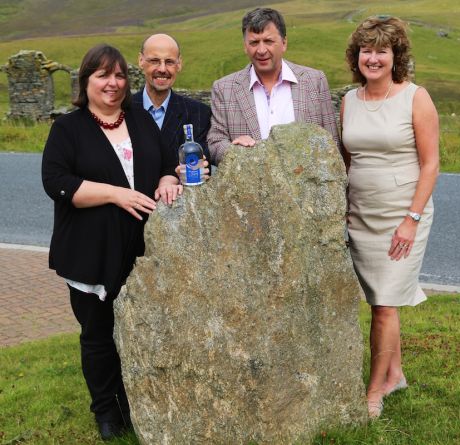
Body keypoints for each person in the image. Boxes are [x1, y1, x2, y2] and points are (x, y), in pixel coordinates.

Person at [42, 44, 182, 440]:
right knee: (99, 336)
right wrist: (115, 193)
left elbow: (166, 162)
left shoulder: (139, 120)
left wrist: (168, 180)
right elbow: (57, 183)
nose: (113, 83)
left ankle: (139, 401)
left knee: (143, 329)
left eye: (120, 75)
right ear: (86, 80)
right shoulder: (68, 129)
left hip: (140, 252)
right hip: (91, 252)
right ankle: (106, 411)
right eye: (103, 75)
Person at [340, 16, 439, 418]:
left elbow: (431, 164)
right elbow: (347, 161)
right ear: (357, 56)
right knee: (380, 302)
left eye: (382, 50)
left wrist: (411, 218)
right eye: (367, 50)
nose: (374, 57)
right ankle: (394, 373)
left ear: (395, 56)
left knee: (384, 304)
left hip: (403, 215)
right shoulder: (348, 100)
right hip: (360, 215)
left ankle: (375, 391)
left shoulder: (416, 97)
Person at [207, 7, 340, 165]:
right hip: (250, 188)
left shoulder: (314, 81)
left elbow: (332, 144)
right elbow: (215, 143)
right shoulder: (224, 88)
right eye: (254, 42)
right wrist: (233, 149)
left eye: (268, 41)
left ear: (284, 43)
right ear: (245, 46)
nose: (261, 50)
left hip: (306, 187)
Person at [133, 33, 212, 165]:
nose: (162, 69)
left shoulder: (199, 113)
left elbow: (201, 166)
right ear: (141, 61)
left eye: (169, 62)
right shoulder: (123, 110)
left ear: (179, 64)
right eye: (154, 61)